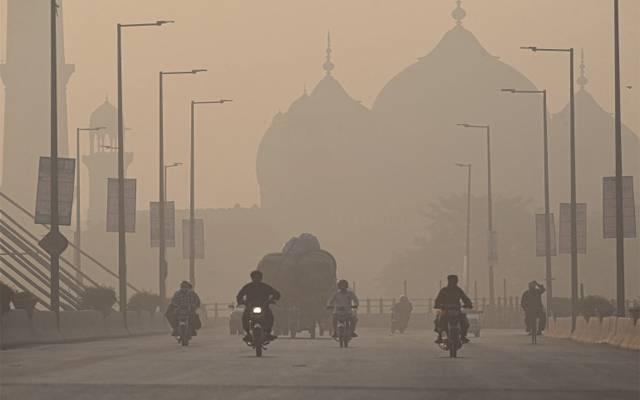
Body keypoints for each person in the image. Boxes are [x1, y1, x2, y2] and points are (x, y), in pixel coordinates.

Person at [236, 270, 281, 343]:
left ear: (261, 278)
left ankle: (268, 333)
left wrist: (272, 299)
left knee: (270, 317)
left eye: (258, 277)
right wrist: (241, 301)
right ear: (252, 278)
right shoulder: (247, 287)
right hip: (250, 308)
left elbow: (277, 294)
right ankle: (248, 334)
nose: (256, 279)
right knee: (245, 317)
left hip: (264, 307)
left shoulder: (265, 287)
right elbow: (239, 295)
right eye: (254, 278)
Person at [434, 274, 473, 344]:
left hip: (456, 310)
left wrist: (469, 304)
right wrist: (438, 305)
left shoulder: (458, 290)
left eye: (454, 281)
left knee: (465, 322)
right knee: (439, 321)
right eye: (452, 281)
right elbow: (437, 300)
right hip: (445, 310)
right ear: (448, 281)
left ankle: (463, 336)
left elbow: (465, 298)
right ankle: (440, 336)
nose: (453, 283)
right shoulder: (444, 290)